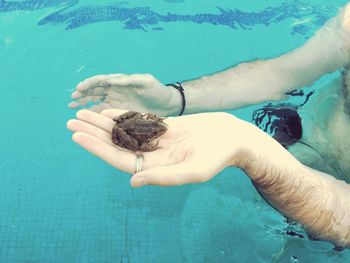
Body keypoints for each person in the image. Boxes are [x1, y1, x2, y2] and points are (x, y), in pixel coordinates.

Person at [66, 3, 350, 248]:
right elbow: (280, 74)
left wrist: (255, 154)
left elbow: (343, 219)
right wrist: (173, 99)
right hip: (303, 133)